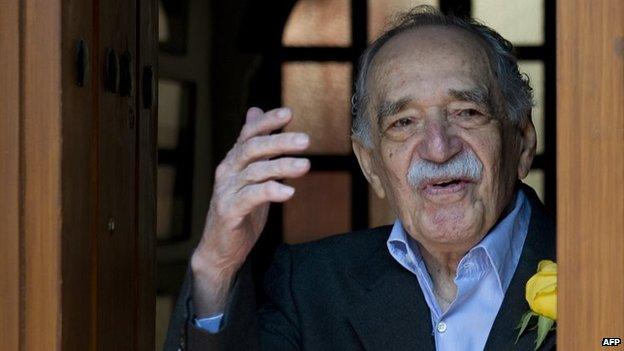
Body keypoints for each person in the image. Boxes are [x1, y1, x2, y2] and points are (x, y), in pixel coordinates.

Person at [164, 6, 555, 351]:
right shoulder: (310, 287)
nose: (439, 148)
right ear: (370, 165)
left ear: (521, 142)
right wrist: (216, 266)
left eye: (467, 112)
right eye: (403, 123)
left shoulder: (603, 268)